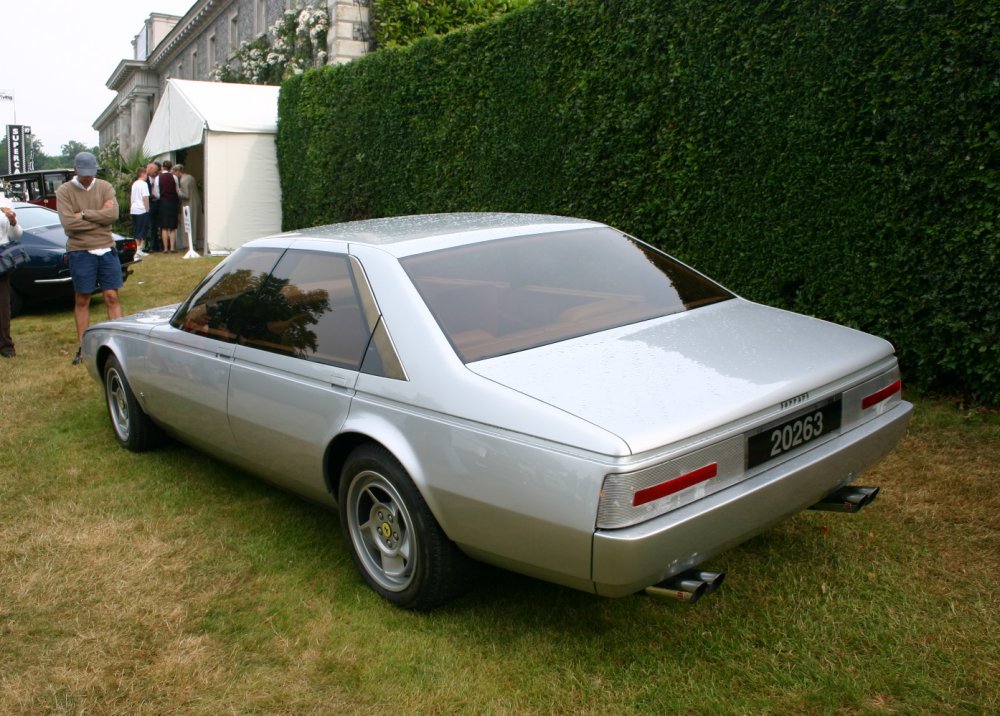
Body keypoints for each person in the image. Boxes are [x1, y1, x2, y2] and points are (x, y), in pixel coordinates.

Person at [56, 152, 122, 365]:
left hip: (106, 248)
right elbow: (69, 224)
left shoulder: (105, 186)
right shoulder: (64, 191)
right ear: (75, 170)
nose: (87, 178)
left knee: (112, 296)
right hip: (80, 250)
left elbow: (112, 215)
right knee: (82, 298)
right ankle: (83, 348)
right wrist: (98, 216)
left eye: (91, 174)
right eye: (84, 174)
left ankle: (118, 345)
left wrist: (83, 214)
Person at [0, 197, 23, 358]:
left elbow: (16, 235)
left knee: (2, 305)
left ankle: (6, 345)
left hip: (1, 257)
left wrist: (13, 221)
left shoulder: (4, 202)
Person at [174, 164, 201, 252]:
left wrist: (177, 190)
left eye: (175, 172)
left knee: (189, 224)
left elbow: (186, 195)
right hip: (196, 203)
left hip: (189, 205)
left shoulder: (183, 181)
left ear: (178, 171)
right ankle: (194, 244)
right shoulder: (191, 177)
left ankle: (190, 245)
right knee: (194, 224)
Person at [157, 160, 179, 252]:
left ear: (162, 167)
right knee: (173, 227)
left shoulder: (158, 178)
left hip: (163, 202)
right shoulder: (174, 177)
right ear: (171, 168)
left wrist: (161, 197)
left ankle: (165, 248)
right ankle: (172, 247)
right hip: (173, 202)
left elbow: (156, 192)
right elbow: (177, 190)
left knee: (164, 226)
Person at [130, 166, 150, 258]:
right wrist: (147, 208)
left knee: (136, 229)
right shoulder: (143, 184)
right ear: (142, 174)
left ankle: (137, 249)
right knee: (142, 229)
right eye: (146, 174)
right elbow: (145, 197)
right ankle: (138, 249)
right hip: (141, 209)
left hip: (134, 209)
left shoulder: (134, 184)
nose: (147, 176)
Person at [146, 162, 162, 252]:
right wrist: (155, 197)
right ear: (150, 168)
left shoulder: (153, 178)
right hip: (148, 205)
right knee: (151, 226)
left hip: (153, 205)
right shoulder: (144, 179)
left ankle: (154, 245)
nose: (156, 174)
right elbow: (147, 193)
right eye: (155, 171)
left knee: (154, 226)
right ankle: (152, 245)